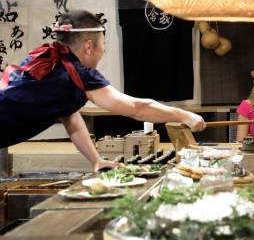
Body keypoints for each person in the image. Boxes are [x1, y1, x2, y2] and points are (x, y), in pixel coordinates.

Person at [0, 10, 206, 172]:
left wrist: (96, 160)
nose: (102, 54)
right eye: (103, 46)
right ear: (89, 46)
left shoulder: (49, 59)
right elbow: (137, 108)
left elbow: (72, 119)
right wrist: (183, 114)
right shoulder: (78, 73)